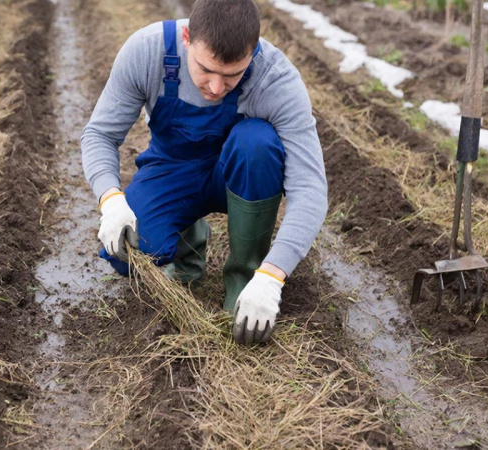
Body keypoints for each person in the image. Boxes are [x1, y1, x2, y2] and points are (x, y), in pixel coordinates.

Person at [81, 0, 327, 344]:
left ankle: (247, 279)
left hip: (238, 175)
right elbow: (100, 135)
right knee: (126, 254)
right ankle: (186, 244)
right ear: (186, 37)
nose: (215, 87)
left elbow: (310, 188)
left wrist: (274, 274)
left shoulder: (277, 80)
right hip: (173, 169)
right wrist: (110, 198)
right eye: (205, 69)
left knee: (257, 142)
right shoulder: (147, 51)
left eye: (232, 75)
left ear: (253, 52)